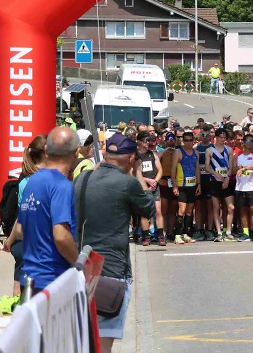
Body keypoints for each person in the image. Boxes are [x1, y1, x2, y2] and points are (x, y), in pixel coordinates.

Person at [73, 132, 155, 353]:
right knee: (103, 342)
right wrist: (138, 173)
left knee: (83, 339)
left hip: (81, 267)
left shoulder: (82, 177)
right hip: (112, 271)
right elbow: (149, 208)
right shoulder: (128, 183)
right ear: (131, 159)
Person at [8, 127, 79, 295]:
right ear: (76, 153)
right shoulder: (62, 186)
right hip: (53, 281)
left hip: (29, 278)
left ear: (46, 150)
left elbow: (20, 230)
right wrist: (80, 264)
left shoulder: (31, 181)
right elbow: (61, 236)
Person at [3, 135, 47, 297]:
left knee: (19, 286)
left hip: (22, 242)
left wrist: (10, 240)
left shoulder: (24, 182)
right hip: (37, 244)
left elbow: (21, 216)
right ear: (47, 153)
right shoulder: (47, 181)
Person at [134, 131, 164, 246]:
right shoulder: (135, 155)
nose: (149, 143)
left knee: (158, 210)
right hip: (142, 187)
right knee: (144, 213)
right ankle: (146, 236)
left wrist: (155, 181)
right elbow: (134, 172)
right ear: (139, 142)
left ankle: (161, 235)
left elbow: (160, 169)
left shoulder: (153, 154)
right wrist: (147, 181)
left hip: (154, 186)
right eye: (146, 140)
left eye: (149, 140)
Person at [205, 127, 234, 241]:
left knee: (230, 207)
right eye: (221, 137)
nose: (223, 139)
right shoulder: (210, 150)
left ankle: (228, 231)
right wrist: (215, 174)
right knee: (216, 207)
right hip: (214, 182)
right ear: (216, 137)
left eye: (224, 137)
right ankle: (218, 232)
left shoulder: (229, 150)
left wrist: (227, 178)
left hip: (226, 180)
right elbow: (207, 167)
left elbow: (231, 166)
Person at [171, 130, 199, 244]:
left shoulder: (196, 153)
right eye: (186, 140)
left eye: (190, 140)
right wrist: (174, 185)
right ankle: (177, 234)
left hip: (192, 185)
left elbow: (197, 169)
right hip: (182, 185)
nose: (188, 143)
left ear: (193, 141)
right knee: (181, 210)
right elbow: (173, 169)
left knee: (189, 210)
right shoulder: (178, 152)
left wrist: (199, 184)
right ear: (183, 141)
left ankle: (186, 233)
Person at [233, 134, 253, 242]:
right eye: (248, 140)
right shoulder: (238, 155)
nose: (249, 142)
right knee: (243, 210)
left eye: (251, 140)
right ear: (244, 142)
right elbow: (232, 170)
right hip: (240, 187)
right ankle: (245, 232)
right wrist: (238, 168)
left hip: (252, 186)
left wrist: (244, 168)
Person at [158, 134, 179, 243]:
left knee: (173, 210)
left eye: (172, 140)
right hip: (164, 182)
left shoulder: (178, 152)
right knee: (164, 210)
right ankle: (163, 232)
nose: (171, 142)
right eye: (168, 140)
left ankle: (171, 232)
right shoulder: (162, 151)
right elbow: (157, 159)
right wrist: (166, 150)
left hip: (175, 182)